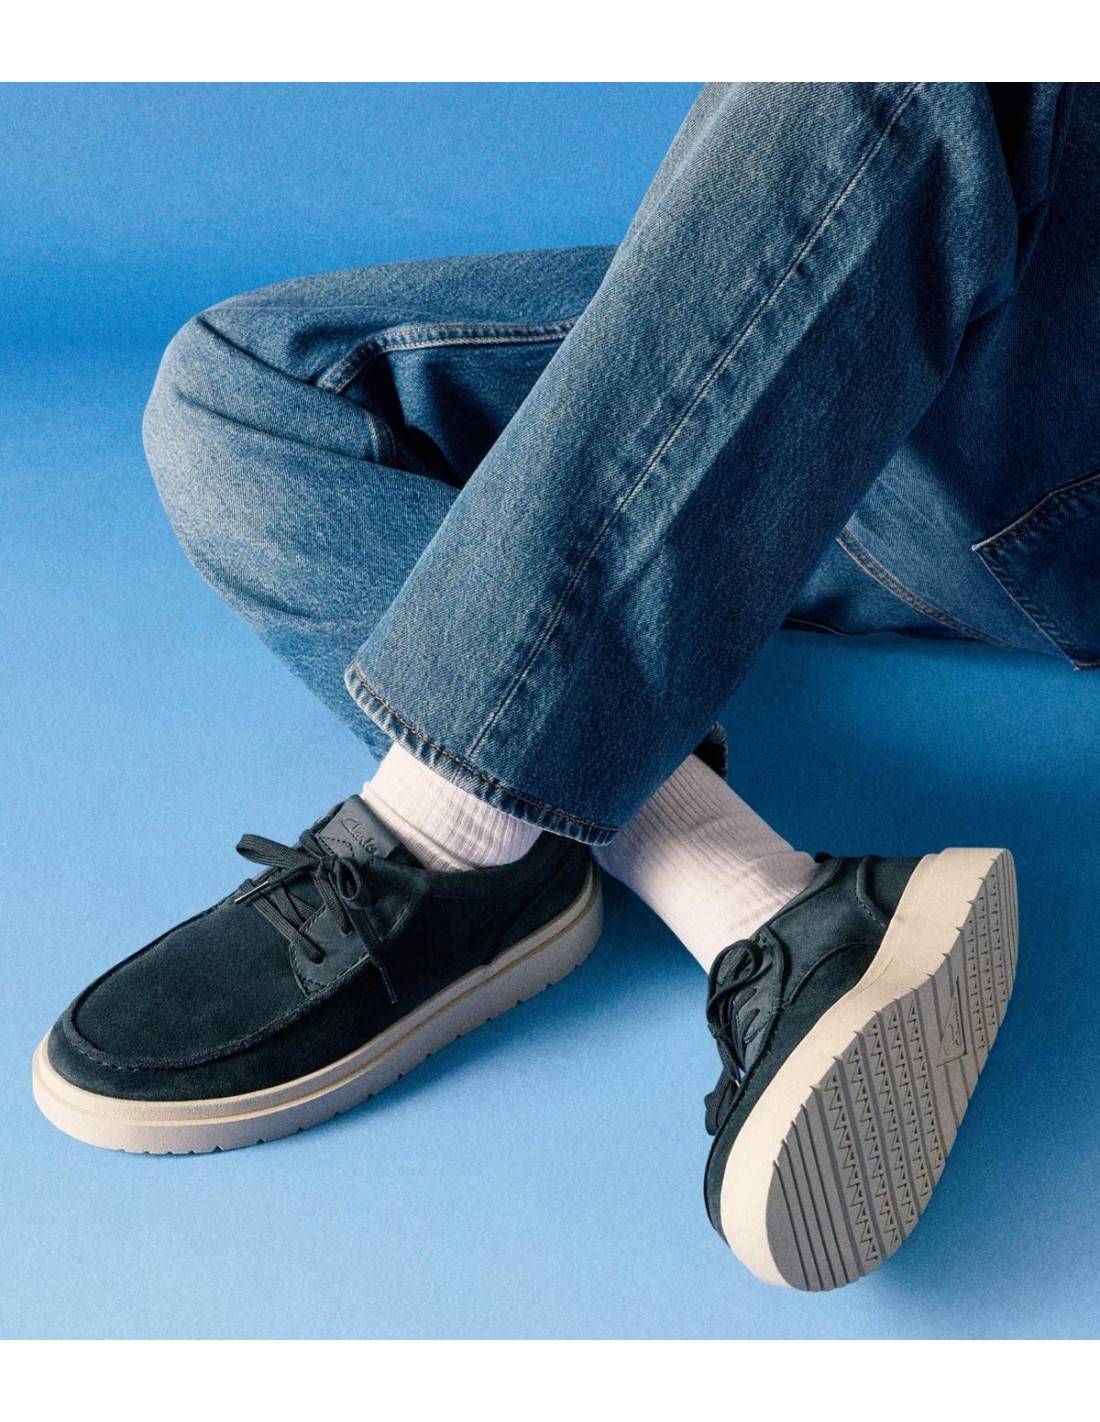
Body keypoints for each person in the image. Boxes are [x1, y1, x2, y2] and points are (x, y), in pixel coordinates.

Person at [31, 82, 1093, 1292]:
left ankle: (443, 836)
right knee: (248, 385)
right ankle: (743, 898)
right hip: (896, 414)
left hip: (1044, 463)